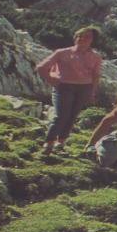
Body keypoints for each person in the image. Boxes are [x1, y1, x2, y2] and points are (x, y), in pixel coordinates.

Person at [36, 26, 103, 157]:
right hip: (64, 87)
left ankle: (61, 143)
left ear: (92, 40)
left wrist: (92, 93)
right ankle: (49, 143)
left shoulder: (95, 57)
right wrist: (51, 80)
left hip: (84, 88)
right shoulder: (62, 52)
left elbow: (95, 75)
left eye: (87, 37)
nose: (82, 39)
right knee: (61, 116)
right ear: (75, 38)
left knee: (72, 116)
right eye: (79, 36)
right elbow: (41, 67)